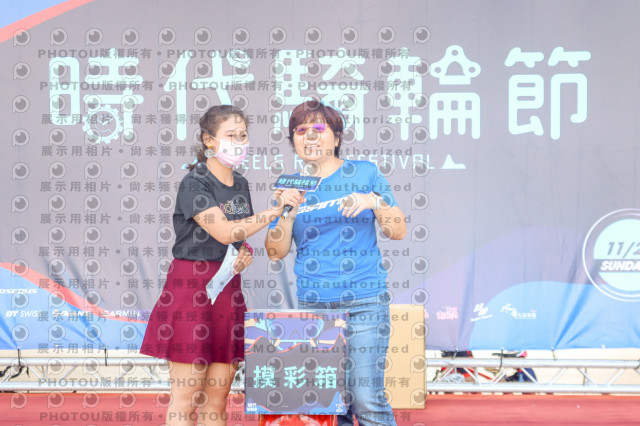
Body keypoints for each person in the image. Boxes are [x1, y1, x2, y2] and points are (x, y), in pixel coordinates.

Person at [141, 105, 303, 426]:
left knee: (216, 400)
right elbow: (224, 230)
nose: (239, 142)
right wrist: (274, 211)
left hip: (227, 288)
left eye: (243, 135)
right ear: (208, 140)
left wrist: (243, 254)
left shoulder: (240, 183)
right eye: (231, 135)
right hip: (191, 290)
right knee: (186, 399)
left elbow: (238, 235)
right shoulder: (195, 182)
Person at [264, 101, 407, 426]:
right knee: (330, 406)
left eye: (319, 128)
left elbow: (397, 230)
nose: (310, 136)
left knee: (366, 398)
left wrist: (374, 200)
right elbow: (275, 251)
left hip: (364, 302)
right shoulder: (289, 187)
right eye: (301, 130)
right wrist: (286, 212)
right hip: (315, 307)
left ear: (337, 137)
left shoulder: (365, 173)